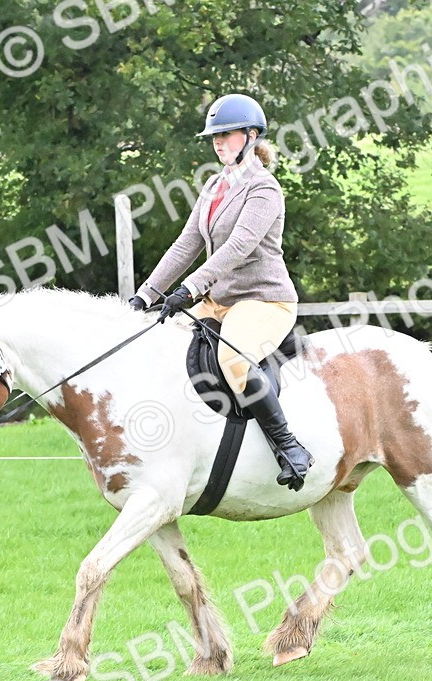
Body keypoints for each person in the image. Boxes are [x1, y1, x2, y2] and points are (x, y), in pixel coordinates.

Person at [127, 93, 314, 491]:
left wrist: (191, 288)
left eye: (226, 135)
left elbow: (239, 247)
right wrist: (145, 296)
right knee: (158, 343)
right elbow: (186, 245)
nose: (218, 142)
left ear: (250, 136)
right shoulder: (214, 186)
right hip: (221, 301)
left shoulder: (265, 189)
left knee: (232, 357)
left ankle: (289, 446)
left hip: (265, 300)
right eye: (214, 136)